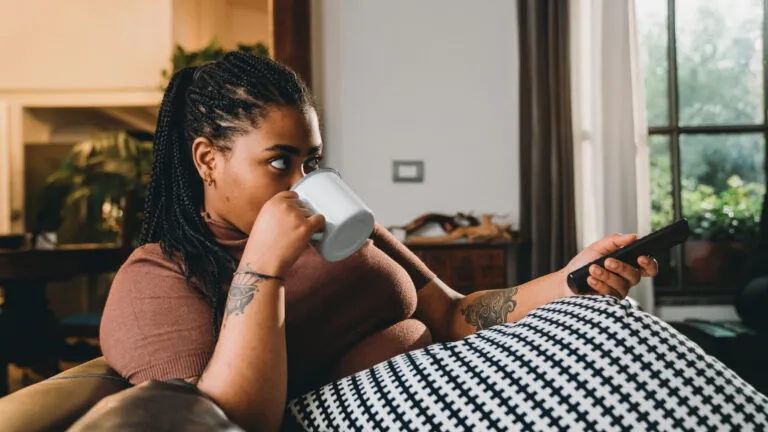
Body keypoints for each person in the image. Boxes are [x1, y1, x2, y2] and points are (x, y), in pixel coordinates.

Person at [100, 52, 658, 431]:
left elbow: (453, 314)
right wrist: (263, 264)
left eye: (311, 161)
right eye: (279, 162)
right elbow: (233, 421)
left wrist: (570, 280)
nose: (303, 182)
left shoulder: (346, 227)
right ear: (207, 160)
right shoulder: (159, 276)